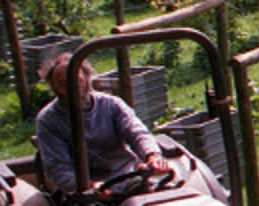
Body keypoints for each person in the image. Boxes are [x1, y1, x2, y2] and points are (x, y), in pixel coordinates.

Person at [34, 52, 168, 193]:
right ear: (54, 88)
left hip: (127, 175)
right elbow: (58, 168)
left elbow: (136, 132)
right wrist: (87, 187)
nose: (72, 88)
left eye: (76, 80)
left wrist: (152, 155)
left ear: (87, 79)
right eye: (63, 84)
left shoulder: (111, 104)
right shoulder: (48, 120)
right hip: (85, 191)